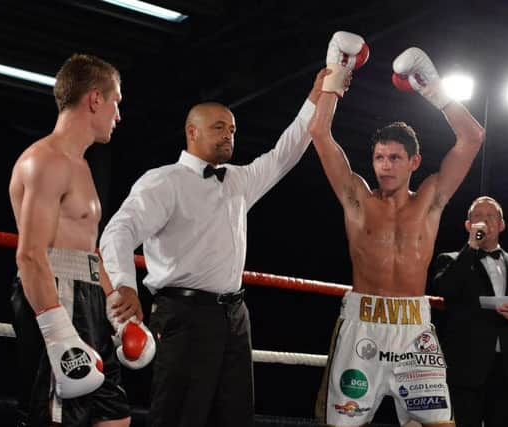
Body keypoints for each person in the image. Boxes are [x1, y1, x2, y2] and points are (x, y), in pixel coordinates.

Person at [98, 60, 338, 426]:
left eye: (232, 129)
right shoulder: (165, 182)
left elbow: (284, 154)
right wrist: (124, 287)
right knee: (180, 416)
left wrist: (316, 97)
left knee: (235, 416)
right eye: (218, 128)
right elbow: (118, 233)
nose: (228, 135)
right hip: (184, 314)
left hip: (235, 316)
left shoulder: (238, 181)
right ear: (192, 132)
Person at [309, 32, 486, 427]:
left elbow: (473, 136)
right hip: (362, 326)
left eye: (394, 158)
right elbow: (320, 134)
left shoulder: (430, 200)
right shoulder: (357, 199)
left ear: (414, 161)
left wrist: (434, 89)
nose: (384, 166)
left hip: (414, 333)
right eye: (378, 157)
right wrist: (337, 72)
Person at [9, 53, 153, 427]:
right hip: (55, 295)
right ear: (95, 99)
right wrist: (58, 332)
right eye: (116, 103)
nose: (118, 116)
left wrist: (113, 306)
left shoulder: (81, 165)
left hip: (86, 295)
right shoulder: (45, 161)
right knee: (57, 418)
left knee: (115, 417)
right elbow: (30, 255)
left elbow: (87, 250)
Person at [431, 196, 508, 427]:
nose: (484, 222)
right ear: (468, 225)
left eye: (491, 216)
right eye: (478, 217)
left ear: (502, 224)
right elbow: (447, 288)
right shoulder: (452, 260)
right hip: (467, 371)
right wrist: (472, 246)